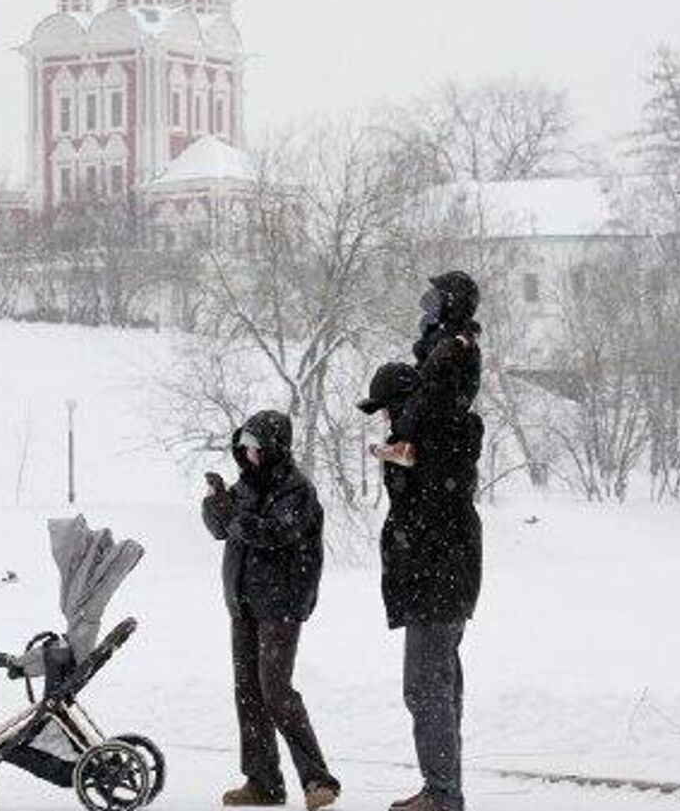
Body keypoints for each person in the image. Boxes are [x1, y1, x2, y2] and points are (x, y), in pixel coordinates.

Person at [359, 271, 484, 811]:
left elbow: (436, 478)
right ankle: (442, 788)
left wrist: (405, 452)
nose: (387, 421)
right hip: (436, 577)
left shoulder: (442, 421)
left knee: (426, 688)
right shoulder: (432, 427)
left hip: (439, 577)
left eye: (388, 410)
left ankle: (442, 793)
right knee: (439, 687)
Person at [201, 410, 341, 810]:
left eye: (255, 447)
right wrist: (217, 505)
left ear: (274, 448)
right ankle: (263, 782)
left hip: (280, 605)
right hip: (243, 604)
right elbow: (221, 530)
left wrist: (236, 517)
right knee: (247, 692)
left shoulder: (297, 490)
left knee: (275, 691)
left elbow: (275, 533)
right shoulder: (245, 486)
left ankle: (319, 780)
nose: (248, 454)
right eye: (243, 447)